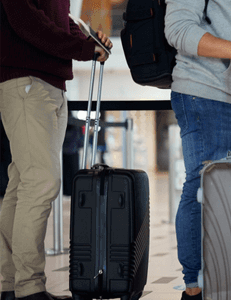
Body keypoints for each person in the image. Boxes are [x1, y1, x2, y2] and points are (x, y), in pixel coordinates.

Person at [0, 0, 112, 298]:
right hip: (27, 81)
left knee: (22, 184)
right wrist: (83, 49)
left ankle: (10, 285)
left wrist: (88, 43)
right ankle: (29, 287)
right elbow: (28, 22)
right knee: (40, 181)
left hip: (46, 82)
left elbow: (59, 22)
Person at [164, 0, 231, 298]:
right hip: (205, 92)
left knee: (223, 194)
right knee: (202, 186)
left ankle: (220, 278)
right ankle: (195, 287)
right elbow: (178, 28)